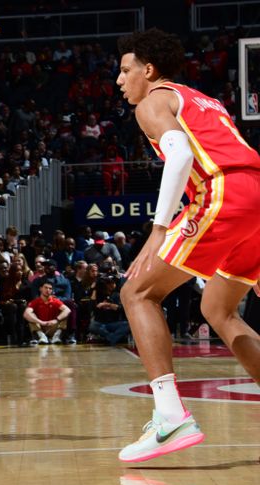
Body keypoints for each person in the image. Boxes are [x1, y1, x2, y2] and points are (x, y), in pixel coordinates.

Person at [116, 28, 260, 463]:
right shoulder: (203, 99)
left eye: (125, 70)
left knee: (137, 292)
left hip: (224, 194)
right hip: (253, 194)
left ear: (149, 69)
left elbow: (179, 156)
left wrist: (159, 230)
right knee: (217, 308)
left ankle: (170, 416)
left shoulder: (152, 101)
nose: (120, 80)